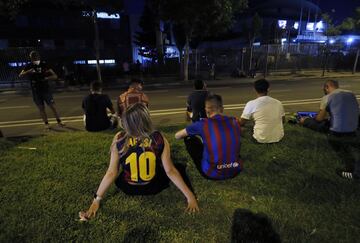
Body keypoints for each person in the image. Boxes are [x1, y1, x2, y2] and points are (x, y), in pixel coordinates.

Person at [79, 103, 199, 221]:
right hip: (153, 187)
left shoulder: (119, 137)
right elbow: (170, 171)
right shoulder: (158, 138)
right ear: (146, 119)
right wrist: (190, 197)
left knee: (121, 172)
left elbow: (111, 172)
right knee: (178, 167)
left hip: (128, 188)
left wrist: (96, 200)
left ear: (126, 122)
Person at [300, 80, 359, 180]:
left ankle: (303, 121)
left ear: (327, 87)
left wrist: (309, 119)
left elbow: (319, 119)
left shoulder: (328, 97)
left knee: (309, 121)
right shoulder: (350, 94)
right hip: (355, 126)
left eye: (324, 89)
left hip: (339, 131)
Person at [175, 94, 243, 180]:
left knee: (189, 139)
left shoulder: (202, 124)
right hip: (235, 170)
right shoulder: (234, 121)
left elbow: (177, 136)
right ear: (222, 108)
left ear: (206, 110)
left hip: (212, 173)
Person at [19, 51, 64, 130]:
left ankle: (59, 121)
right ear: (30, 58)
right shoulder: (29, 66)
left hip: (45, 89)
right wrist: (28, 71)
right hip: (36, 90)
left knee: (52, 106)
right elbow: (20, 75)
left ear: (38, 56)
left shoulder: (44, 64)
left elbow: (55, 76)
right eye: (32, 57)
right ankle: (46, 124)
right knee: (41, 108)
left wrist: (46, 78)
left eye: (35, 56)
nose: (34, 58)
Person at [240, 79, 285, 143]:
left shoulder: (251, 103)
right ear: (268, 89)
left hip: (260, 139)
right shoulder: (278, 102)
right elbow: (283, 121)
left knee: (242, 128)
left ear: (254, 89)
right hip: (278, 138)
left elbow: (242, 122)